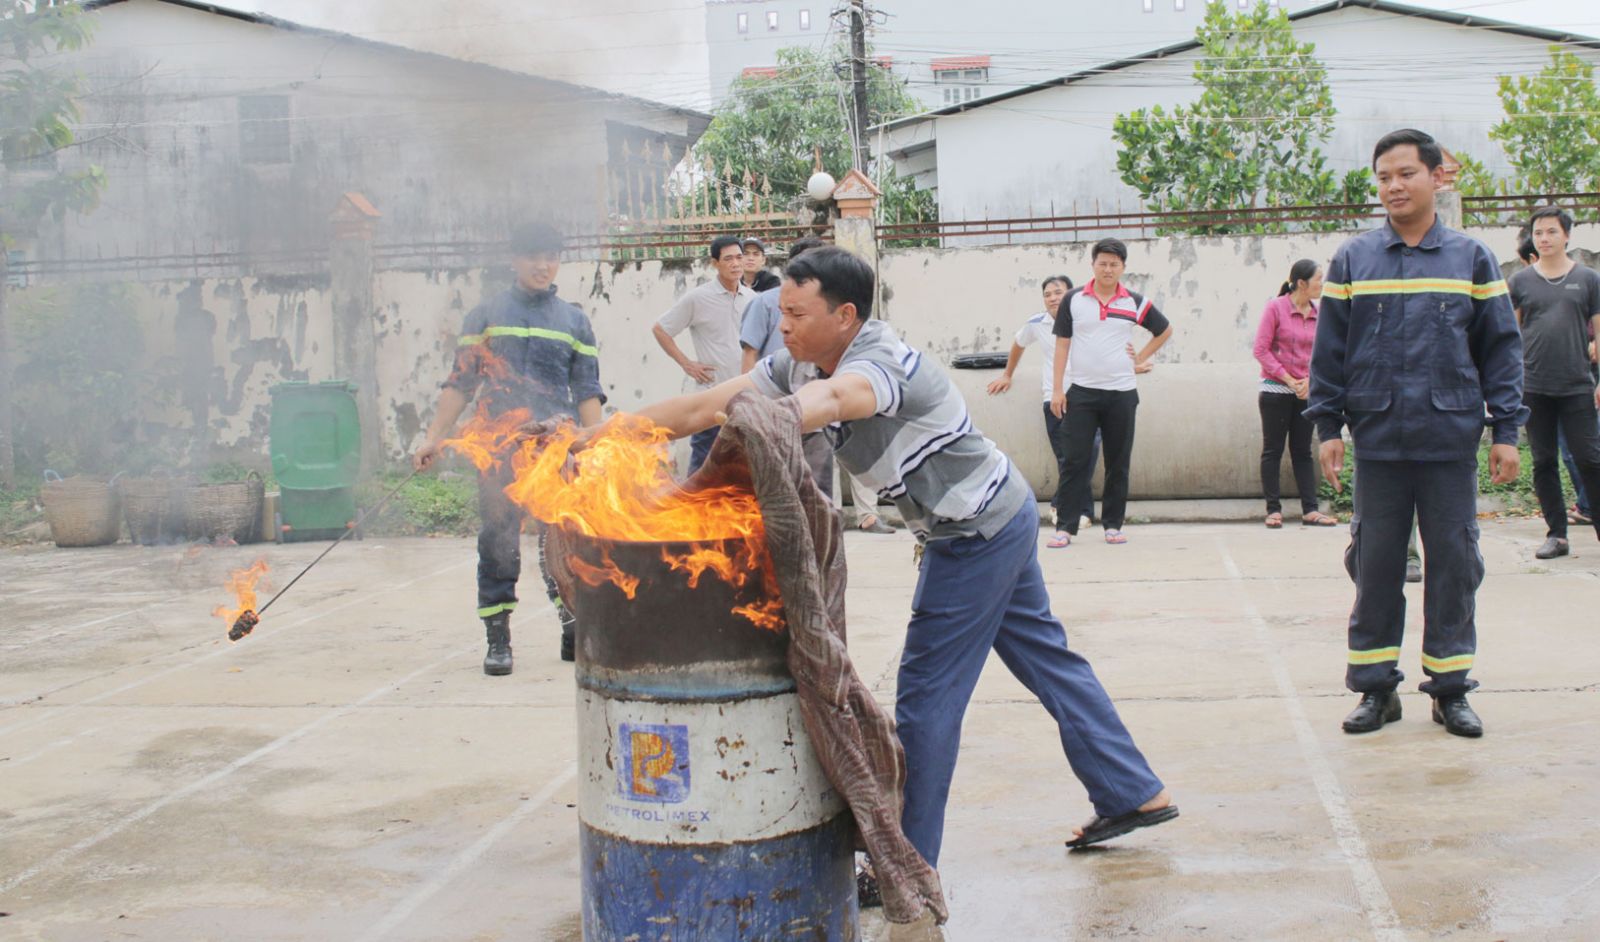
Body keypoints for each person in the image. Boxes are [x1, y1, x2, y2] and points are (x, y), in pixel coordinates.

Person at [588, 245, 1174, 873]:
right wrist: (607, 434)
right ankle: (1132, 792)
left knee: (925, 697)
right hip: (999, 511)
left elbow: (841, 400)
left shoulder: (879, 360)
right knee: (1048, 660)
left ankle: (907, 861)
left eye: (795, 313)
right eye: (779, 312)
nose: (781, 325)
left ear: (845, 315)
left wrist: (769, 421)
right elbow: (705, 406)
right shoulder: (797, 365)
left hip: (975, 532)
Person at [1307, 129, 1526, 739]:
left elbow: (1501, 351)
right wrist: (1328, 425)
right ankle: (1376, 689)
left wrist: (1506, 429)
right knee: (1375, 564)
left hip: (1448, 438)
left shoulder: (1471, 258)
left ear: (1436, 177)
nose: (1393, 186)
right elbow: (1329, 352)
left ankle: (1450, 689)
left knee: (1453, 563)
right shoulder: (1354, 259)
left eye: (1405, 173)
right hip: (1378, 440)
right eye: (1383, 177)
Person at [413, 221, 605, 672]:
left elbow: (588, 391)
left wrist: (593, 448)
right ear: (514, 260)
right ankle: (498, 639)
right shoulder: (485, 315)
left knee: (562, 538)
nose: (544, 265)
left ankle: (571, 625)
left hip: (554, 447)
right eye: (535, 256)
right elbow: (460, 383)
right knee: (499, 541)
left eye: (552, 256)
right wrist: (433, 437)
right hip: (498, 447)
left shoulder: (574, 321)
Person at [1049, 239, 1174, 546]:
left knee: (1118, 460)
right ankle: (1065, 527)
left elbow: (1164, 330)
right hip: (1081, 393)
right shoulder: (1074, 300)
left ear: (1123, 268)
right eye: (1102, 263)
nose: (1108, 269)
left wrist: (1141, 357)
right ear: (1093, 265)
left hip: (1121, 393)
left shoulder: (1134, 301)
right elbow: (1062, 344)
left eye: (1114, 264)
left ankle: (1113, 525)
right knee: (1074, 460)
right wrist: (1057, 389)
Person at [1507, 204, 1600, 559]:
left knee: (1590, 459)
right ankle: (1556, 535)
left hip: (1577, 384)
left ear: (1567, 236)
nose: (1544, 238)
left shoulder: (1588, 279)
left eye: (1551, 232)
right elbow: (1509, 334)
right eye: (1539, 232)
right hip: (1534, 387)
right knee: (1544, 461)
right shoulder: (1520, 281)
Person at [986, 275, 1102, 543]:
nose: (1052, 298)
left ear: (1071, 293)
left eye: (1058, 292)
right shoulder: (1037, 324)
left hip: (1088, 397)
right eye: (1048, 294)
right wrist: (1007, 375)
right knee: (1066, 458)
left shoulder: (1087, 319)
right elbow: (1018, 344)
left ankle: (1064, 504)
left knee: (1088, 451)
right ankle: (1080, 511)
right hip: (1054, 399)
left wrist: (1133, 364)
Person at [739, 236, 834, 497]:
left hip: (816, 420)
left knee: (818, 496)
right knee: (776, 494)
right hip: (774, 416)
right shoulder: (765, 303)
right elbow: (750, 355)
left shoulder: (832, 306)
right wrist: (751, 408)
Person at [653, 235, 755, 474]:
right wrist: (687, 364)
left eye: (739, 257)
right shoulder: (698, 298)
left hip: (747, 399)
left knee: (745, 471)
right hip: (711, 398)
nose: (735, 264)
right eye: (728, 259)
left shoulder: (753, 299)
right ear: (714, 263)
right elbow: (661, 329)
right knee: (703, 469)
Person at [1253, 260, 1338, 528]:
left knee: (1303, 451)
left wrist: (1309, 382)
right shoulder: (1275, 308)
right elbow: (1261, 350)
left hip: (1306, 391)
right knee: (1273, 449)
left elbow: (1325, 352)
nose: (1321, 284)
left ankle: (1310, 510)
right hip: (1276, 389)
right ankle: (1273, 510)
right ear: (1302, 283)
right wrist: (1290, 379)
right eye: (1318, 279)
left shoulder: (1320, 312)